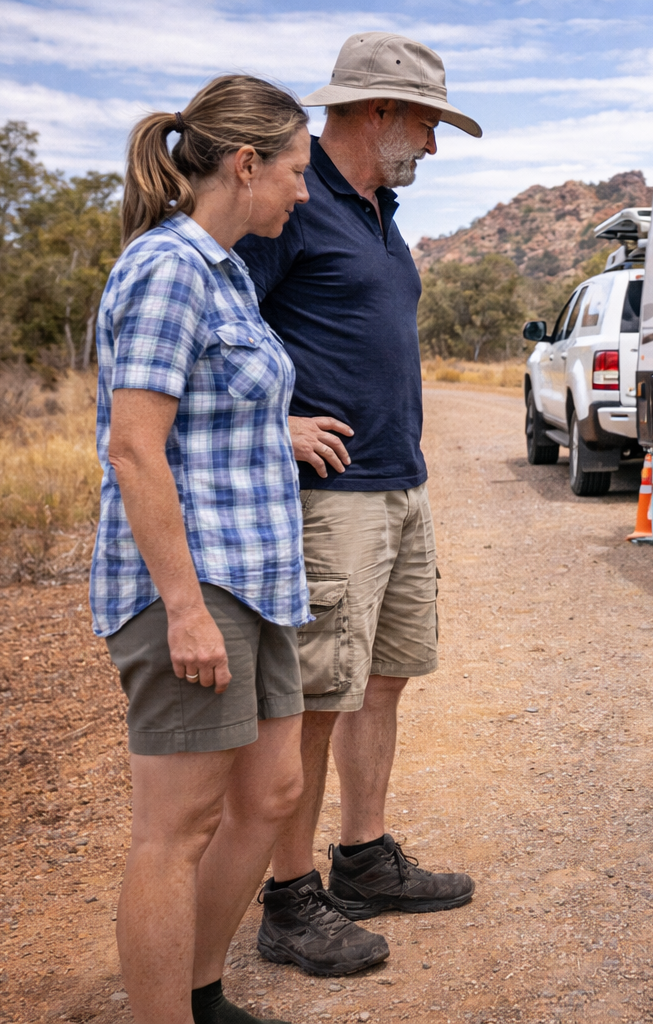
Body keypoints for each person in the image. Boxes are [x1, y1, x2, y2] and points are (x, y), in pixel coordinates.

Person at [234, 32, 481, 976]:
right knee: (314, 698)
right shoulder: (293, 205)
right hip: (330, 496)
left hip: (397, 483)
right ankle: (290, 900)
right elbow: (224, 338)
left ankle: (364, 857)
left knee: (383, 676)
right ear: (376, 111)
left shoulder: (377, 209)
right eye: (424, 122)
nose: (433, 144)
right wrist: (280, 425)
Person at [93, 76, 314, 1023]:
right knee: (175, 829)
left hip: (258, 581)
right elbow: (136, 444)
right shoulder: (168, 268)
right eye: (295, 172)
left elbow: (207, 415)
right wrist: (182, 605)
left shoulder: (225, 270)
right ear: (246, 163)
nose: (303, 193)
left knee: (272, 795)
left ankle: (197, 992)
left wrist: (280, 432)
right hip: (196, 585)